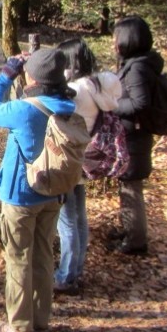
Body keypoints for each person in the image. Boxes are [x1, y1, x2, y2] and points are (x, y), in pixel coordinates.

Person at [0, 48, 76, 332]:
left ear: (31, 76)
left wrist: (7, 74)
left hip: (21, 195)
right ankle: (41, 321)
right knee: (44, 257)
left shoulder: (24, 110)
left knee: (19, 258)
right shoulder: (67, 105)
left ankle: (20, 325)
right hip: (54, 191)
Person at [53, 38, 122, 295]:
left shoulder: (75, 90)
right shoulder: (96, 85)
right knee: (79, 218)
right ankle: (76, 269)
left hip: (69, 158)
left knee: (67, 221)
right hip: (86, 158)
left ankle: (66, 275)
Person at [110, 15, 162, 255]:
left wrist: (111, 104)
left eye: (116, 38)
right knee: (128, 186)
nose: (113, 43)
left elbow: (140, 104)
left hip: (134, 139)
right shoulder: (138, 63)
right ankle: (129, 231)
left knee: (131, 188)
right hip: (133, 137)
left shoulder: (138, 68)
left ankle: (136, 242)